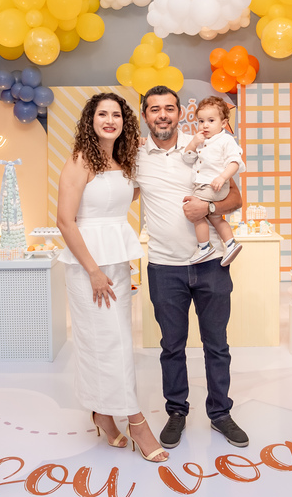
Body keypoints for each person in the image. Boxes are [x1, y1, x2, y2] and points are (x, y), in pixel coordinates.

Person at [136, 85, 249, 450]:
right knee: (171, 346)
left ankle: (220, 413)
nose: (163, 115)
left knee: (217, 345)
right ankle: (176, 411)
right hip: (163, 267)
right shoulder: (136, 156)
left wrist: (209, 208)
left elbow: (235, 196)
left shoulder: (203, 143)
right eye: (155, 109)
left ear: (180, 113)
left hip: (211, 263)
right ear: (145, 115)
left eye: (169, 108)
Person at [57, 92, 168, 463]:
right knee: (106, 343)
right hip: (89, 267)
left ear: (125, 121)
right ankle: (136, 421)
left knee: (113, 342)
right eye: (102, 114)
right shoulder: (80, 161)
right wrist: (93, 271)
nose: (109, 120)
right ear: (91, 120)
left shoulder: (122, 160)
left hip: (116, 262)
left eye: (116, 115)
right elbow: (65, 221)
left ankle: (102, 414)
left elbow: (121, 199)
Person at [183, 96, 245, 266]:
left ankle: (204, 246)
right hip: (210, 186)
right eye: (201, 121)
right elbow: (187, 158)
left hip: (211, 185)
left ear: (223, 123)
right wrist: (193, 143)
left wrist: (223, 177)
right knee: (216, 218)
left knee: (196, 213)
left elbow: (235, 162)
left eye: (211, 121)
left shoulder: (225, 140)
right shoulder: (202, 141)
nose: (205, 125)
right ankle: (231, 244)